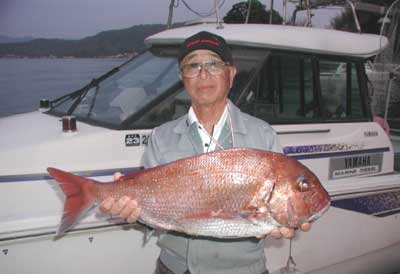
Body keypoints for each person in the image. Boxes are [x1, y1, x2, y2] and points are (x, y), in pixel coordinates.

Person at [101, 31, 310, 274]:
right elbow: (150, 213)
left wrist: (289, 220)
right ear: (183, 77)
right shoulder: (161, 136)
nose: (203, 74)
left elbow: (280, 203)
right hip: (174, 268)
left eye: (213, 64)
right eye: (193, 66)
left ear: (230, 74)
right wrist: (134, 214)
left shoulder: (263, 135)